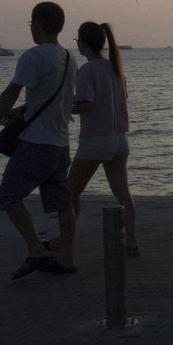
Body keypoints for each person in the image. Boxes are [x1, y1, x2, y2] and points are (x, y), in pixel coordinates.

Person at [0, 2, 79, 278]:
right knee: (63, 203)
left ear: (36, 25)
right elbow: (53, 101)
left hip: (37, 143)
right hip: (61, 144)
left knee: (8, 195)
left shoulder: (34, 56)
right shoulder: (70, 58)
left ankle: (36, 249)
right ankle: (65, 258)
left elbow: (10, 93)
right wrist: (22, 111)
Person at [66, 21, 139, 256]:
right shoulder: (116, 68)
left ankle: (64, 240)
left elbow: (86, 103)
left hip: (95, 140)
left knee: (69, 194)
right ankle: (131, 242)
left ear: (83, 44)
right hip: (119, 139)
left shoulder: (87, 70)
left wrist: (64, 108)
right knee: (123, 194)